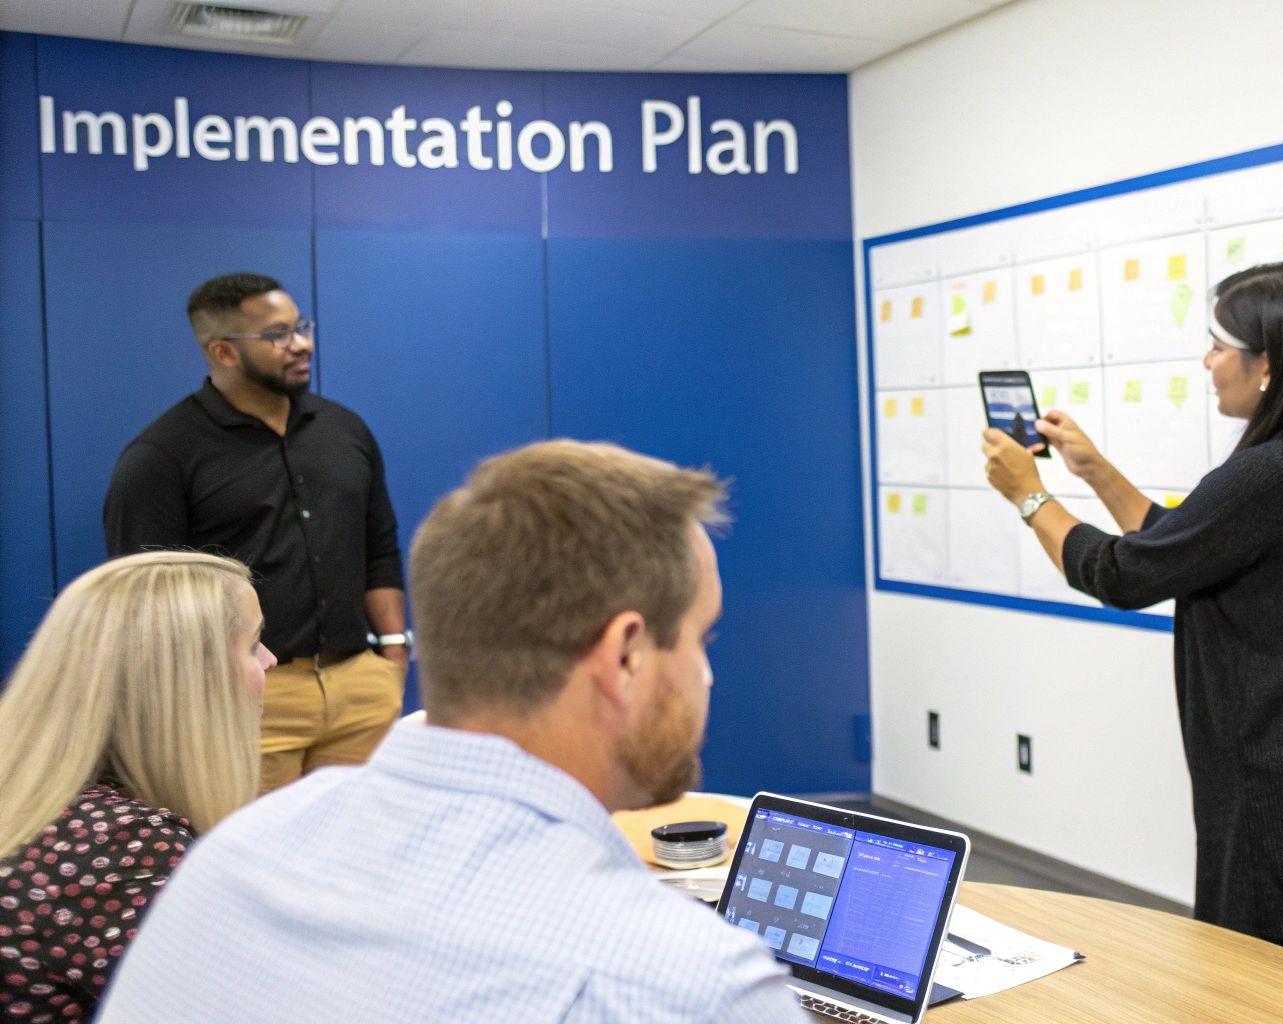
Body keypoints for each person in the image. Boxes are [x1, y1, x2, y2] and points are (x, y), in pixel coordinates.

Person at [97, 441, 805, 1022]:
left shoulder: (235, 855)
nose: (706, 677)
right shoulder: (693, 987)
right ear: (625, 655)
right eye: (701, 640)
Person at [981, 261, 1283, 978]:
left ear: (1269, 363)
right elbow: (1186, 547)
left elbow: (1124, 573)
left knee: (1266, 1001)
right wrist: (1093, 471)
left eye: (1220, 344)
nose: (1209, 362)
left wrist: (1030, 497)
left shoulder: (1271, 473)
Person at [103, 272, 409, 793]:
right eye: (277, 335)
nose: (302, 343)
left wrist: (393, 659)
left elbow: (378, 547)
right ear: (223, 352)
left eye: (301, 327)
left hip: (361, 688)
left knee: (359, 859)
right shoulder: (162, 456)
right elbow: (151, 605)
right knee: (256, 864)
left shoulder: (345, 430)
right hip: (249, 701)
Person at [0, 552, 271, 1021]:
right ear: (188, 682)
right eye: (253, 644)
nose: (270, 660)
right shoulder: (121, 846)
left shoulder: (55, 805)